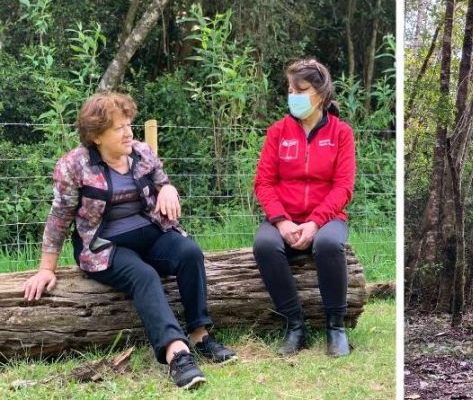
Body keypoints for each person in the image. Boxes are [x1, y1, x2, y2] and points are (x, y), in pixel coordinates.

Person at [22, 92, 236, 389]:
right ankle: (178, 354)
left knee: (189, 252)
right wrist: (46, 268)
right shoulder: (73, 165)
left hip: (150, 234)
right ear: (96, 135)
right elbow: (59, 217)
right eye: (119, 127)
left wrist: (169, 190)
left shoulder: (142, 153)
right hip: (104, 247)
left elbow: (163, 183)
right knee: (144, 275)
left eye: (129, 124)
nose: (128, 132)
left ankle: (201, 335)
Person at [252, 58, 356, 357]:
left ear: (321, 94)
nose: (293, 95)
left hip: (327, 218)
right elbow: (264, 182)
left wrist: (314, 222)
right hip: (283, 216)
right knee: (264, 244)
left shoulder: (341, 133)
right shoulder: (278, 131)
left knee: (328, 244)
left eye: (301, 89)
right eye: (290, 89)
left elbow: (343, 187)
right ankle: (295, 325)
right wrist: (282, 222)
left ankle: (335, 326)